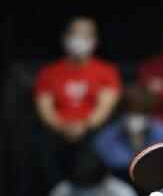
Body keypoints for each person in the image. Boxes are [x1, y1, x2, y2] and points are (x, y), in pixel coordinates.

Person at [35, 17, 121, 185]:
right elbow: (45, 108)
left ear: (95, 41)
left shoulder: (107, 71)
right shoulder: (49, 72)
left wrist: (84, 126)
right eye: (75, 34)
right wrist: (62, 127)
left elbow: (105, 107)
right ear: (65, 38)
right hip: (57, 135)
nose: (79, 39)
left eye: (86, 35)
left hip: (91, 134)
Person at [92, 84, 163, 182]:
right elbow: (115, 162)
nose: (136, 117)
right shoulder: (107, 136)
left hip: (155, 181)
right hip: (120, 181)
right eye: (131, 112)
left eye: (141, 112)